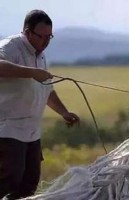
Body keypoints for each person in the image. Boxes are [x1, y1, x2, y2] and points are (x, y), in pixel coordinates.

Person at [0, 9, 80, 199]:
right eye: (41, 36)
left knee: (29, 184)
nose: (46, 42)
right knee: (10, 178)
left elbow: (46, 90)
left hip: (32, 131)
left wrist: (64, 112)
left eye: (49, 37)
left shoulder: (40, 55)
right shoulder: (11, 47)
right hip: (8, 128)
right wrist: (31, 72)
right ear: (27, 33)